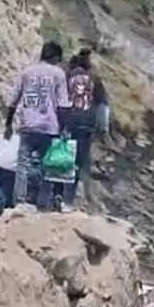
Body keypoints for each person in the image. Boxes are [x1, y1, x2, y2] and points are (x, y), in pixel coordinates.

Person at [4, 41, 70, 209]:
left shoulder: (27, 72)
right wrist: (64, 128)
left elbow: (13, 100)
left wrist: (8, 124)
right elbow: (62, 105)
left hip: (28, 125)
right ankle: (42, 203)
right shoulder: (58, 74)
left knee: (22, 166)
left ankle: (19, 201)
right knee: (47, 167)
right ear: (56, 57)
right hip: (49, 127)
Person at [60, 49, 108, 206]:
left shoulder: (67, 76)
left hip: (67, 123)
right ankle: (68, 200)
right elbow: (103, 106)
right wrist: (103, 128)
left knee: (61, 159)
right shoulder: (95, 79)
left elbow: (58, 99)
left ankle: (56, 195)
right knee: (78, 163)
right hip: (86, 126)